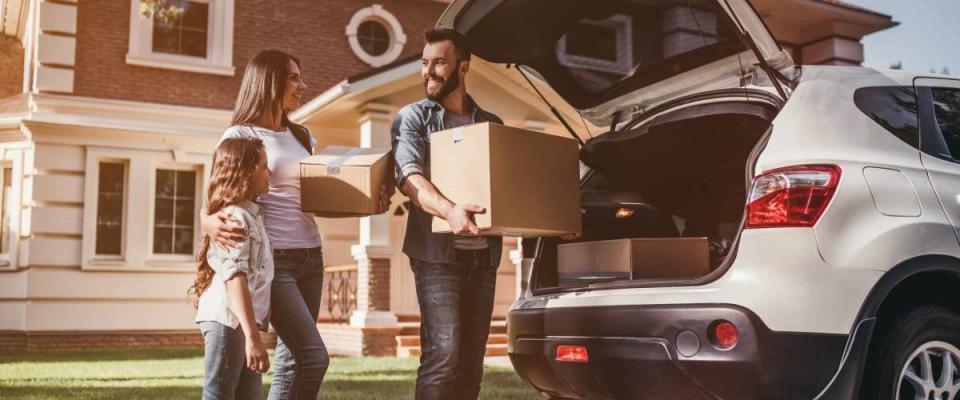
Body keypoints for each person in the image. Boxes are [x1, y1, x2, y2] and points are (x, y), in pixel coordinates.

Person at [201, 49, 390, 400]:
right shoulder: (239, 136)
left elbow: (316, 201)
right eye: (293, 77)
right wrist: (206, 220)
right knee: (312, 357)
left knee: (292, 361)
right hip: (275, 263)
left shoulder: (302, 136)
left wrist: (367, 208)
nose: (302, 85)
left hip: (311, 259)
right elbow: (218, 197)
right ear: (269, 81)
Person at [391, 28, 503, 400]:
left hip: (483, 258)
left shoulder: (492, 125)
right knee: (444, 355)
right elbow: (408, 175)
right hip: (436, 257)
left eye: (439, 62)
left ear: (463, 66)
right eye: (425, 63)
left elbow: (510, 187)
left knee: (471, 363)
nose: (428, 71)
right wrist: (449, 210)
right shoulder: (414, 118)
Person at [191, 137, 273, 400]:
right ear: (247, 172)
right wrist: (253, 337)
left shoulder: (251, 214)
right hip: (228, 321)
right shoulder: (235, 218)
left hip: (240, 323)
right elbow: (234, 278)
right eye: (264, 166)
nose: (269, 172)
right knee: (218, 395)